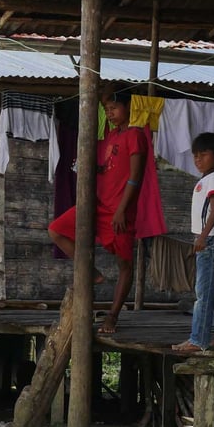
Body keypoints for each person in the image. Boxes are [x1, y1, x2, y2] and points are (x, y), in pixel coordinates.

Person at [48, 87, 146, 334]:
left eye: (114, 108)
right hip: (98, 205)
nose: (110, 113)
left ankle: (112, 316)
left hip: (120, 210)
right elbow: (107, 167)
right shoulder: (110, 136)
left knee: (125, 264)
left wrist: (122, 210)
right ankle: (92, 272)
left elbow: (135, 177)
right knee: (56, 230)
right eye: (107, 109)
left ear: (128, 108)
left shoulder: (135, 135)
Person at [173, 133, 214, 353]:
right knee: (212, 293)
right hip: (206, 239)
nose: (198, 159)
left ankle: (198, 339)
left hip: (210, 240)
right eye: (196, 155)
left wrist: (203, 236)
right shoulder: (206, 179)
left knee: (202, 293)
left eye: (203, 155)